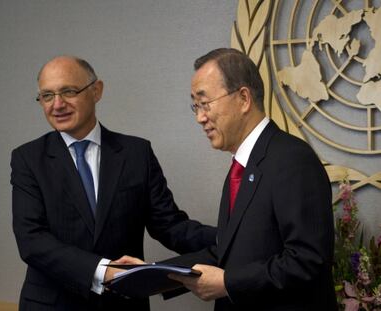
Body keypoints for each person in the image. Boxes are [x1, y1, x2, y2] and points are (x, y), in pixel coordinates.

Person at [119, 48, 337, 310]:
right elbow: (228, 250)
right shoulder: (241, 168)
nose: (200, 117)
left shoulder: (292, 159)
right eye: (195, 106)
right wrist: (150, 272)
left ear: (243, 98)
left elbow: (308, 260)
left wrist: (229, 282)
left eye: (205, 103)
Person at [10, 55, 216, 311]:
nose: (57, 104)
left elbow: (170, 226)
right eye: (47, 96)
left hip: (122, 304)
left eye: (68, 91)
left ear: (97, 91)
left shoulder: (136, 153)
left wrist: (233, 238)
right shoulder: (28, 159)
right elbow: (32, 241)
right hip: (52, 305)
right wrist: (104, 270)